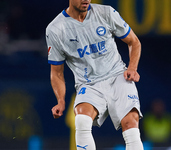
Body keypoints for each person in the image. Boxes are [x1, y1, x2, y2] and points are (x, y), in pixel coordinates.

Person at [46, 0, 143, 150]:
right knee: (82, 119)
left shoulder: (106, 13)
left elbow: (134, 42)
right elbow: (56, 72)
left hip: (118, 76)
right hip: (88, 83)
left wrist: (132, 68)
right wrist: (61, 100)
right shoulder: (56, 29)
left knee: (131, 123)